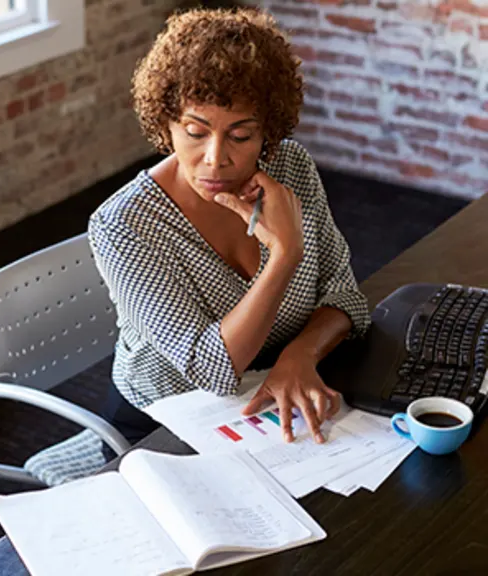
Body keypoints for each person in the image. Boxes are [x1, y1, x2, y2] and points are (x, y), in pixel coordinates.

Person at [89, 7, 370, 446]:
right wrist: (284, 255)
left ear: (267, 134)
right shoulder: (123, 224)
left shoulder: (291, 168)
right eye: (195, 131)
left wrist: (300, 354)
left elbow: (345, 295)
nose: (216, 157)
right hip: (164, 420)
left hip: (278, 387)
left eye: (240, 136)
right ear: (166, 123)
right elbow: (212, 368)